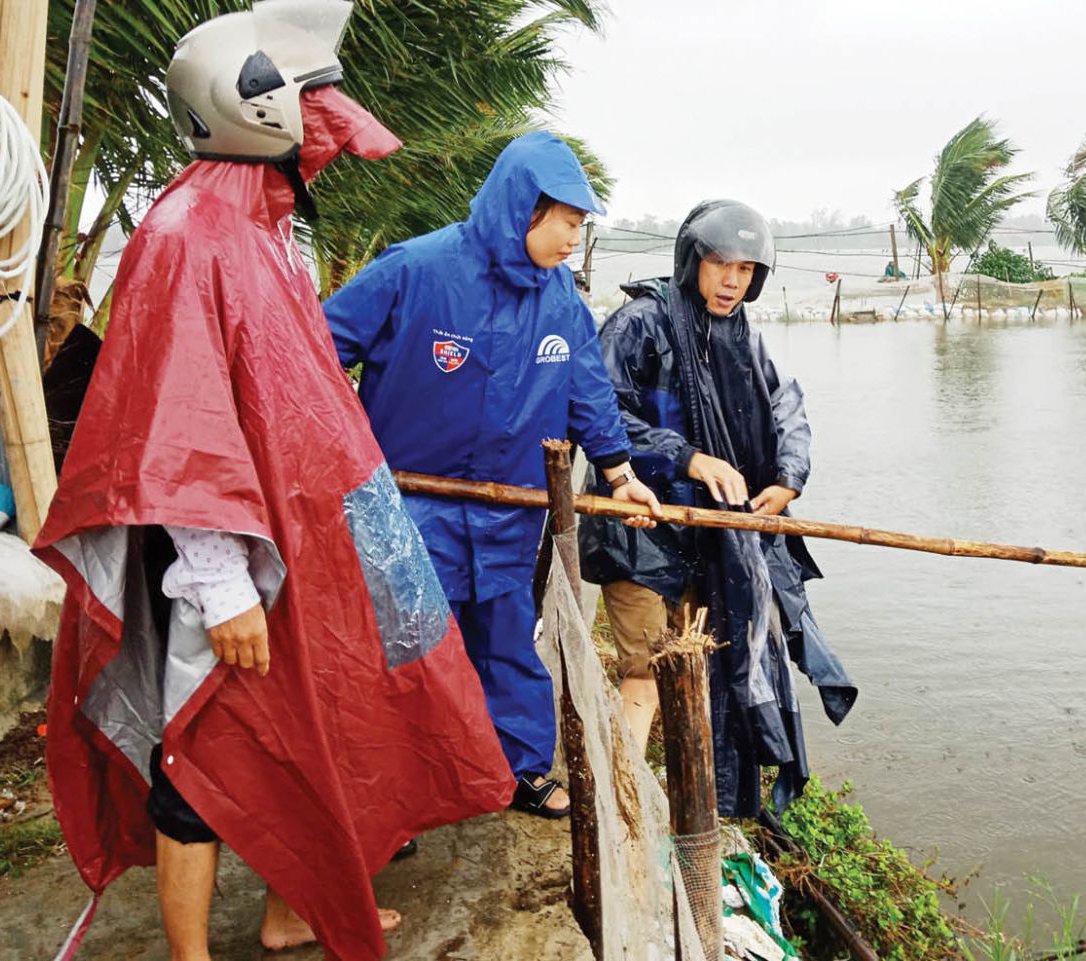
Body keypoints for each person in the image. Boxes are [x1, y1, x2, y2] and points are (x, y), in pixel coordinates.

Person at [33, 3, 515, 959]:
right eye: (322, 126)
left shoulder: (258, 225)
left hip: (303, 547)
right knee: (205, 747)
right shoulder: (190, 235)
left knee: (311, 731)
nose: (330, 148)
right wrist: (219, 589)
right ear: (260, 112)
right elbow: (181, 428)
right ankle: (188, 952)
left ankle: (294, 907)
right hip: (236, 563)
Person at [324, 132, 662, 819]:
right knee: (408, 652)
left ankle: (519, 771)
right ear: (523, 206)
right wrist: (340, 451)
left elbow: (586, 391)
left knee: (508, 641)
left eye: (581, 223)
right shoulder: (416, 269)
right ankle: (398, 792)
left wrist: (621, 473)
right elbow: (318, 349)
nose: (575, 236)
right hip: (411, 508)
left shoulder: (560, 298)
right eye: (567, 219)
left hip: (510, 512)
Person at [578, 199, 857, 817]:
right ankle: (613, 806)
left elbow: (787, 410)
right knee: (647, 671)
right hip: (639, 529)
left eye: (747, 269)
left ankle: (693, 807)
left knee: (705, 671)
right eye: (720, 264)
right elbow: (597, 410)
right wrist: (687, 458)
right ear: (692, 262)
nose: (733, 280)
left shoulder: (741, 338)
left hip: (712, 542)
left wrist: (787, 479)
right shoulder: (641, 324)